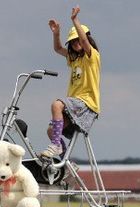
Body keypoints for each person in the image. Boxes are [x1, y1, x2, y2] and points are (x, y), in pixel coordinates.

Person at [41, 6, 101, 158]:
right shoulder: (74, 60)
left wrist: (74, 20)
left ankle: (55, 146)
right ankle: (65, 162)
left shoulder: (91, 56)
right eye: (72, 42)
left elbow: (83, 40)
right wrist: (56, 33)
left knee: (56, 104)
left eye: (77, 41)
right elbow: (58, 49)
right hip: (75, 105)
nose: (75, 44)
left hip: (86, 104)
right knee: (50, 131)